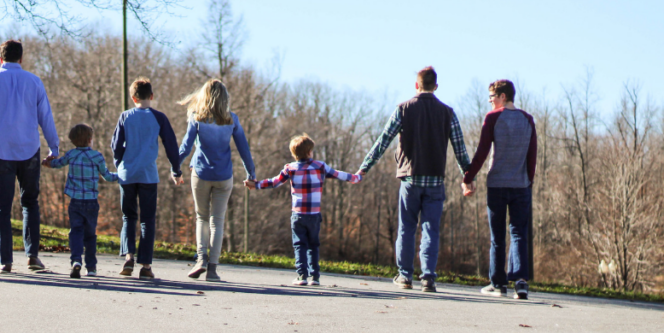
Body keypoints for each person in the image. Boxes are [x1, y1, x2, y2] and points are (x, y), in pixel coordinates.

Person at [355, 66, 472, 293]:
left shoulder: (403, 109)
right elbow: (460, 149)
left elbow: (383, 141)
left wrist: (364, 168)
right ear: (435, 86)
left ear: (416, 85)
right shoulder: (448, 112)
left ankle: (405, 276)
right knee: (430, 229)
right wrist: (467, 177)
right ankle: (428, 278)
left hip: (410, 179)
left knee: (407, 228)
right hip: (435, 180)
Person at [0, 40, 60, 274]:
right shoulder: (34, 81)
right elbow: (45, 117)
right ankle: (32, 256)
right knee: (30, 203)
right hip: (29, 149)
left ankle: (5, 260)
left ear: (1, 59)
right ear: (21, 59)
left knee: (2, 208)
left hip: (1, 151)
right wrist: (54, 148)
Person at [244, 134, 360, 286]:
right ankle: (315, 277)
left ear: (294, 153)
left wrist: (256, 184)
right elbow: (339, 175)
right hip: (314, 215)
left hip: (298, 215)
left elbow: (275, 182)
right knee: (313, 245)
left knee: (299, 245)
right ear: (310, 152)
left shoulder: (290, 168)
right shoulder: (320, 167)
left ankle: (301, 276)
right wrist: (356, 177)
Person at [462, 80, 536, 300]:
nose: (490, 101)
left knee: (498, 237)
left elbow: (482, 152)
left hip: (497, 185)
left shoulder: (493, 118)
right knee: (518, 233)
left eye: (492, 96)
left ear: (503, 96)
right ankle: (520, 283)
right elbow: (532, 157)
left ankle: (498, 283)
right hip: (521, 186)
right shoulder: (527, 119)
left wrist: (468, 177)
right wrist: (528, 181)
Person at [178, 79, 256, 282]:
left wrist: (175, 167)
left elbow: (186, 147)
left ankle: (200, 260)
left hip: (201, 174)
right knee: (217, 221)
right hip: (224, 176)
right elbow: (243, 149)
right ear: (225, 98)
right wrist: (251, 174)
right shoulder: (232, 120)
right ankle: (212, 269)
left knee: (201, 218)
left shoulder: (197, 119)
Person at [111, 77, 184, 280]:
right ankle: (145, 265)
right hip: (148, 176)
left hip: (127, 174)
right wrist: (176, 169)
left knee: (128, 217)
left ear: (133, 98)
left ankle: (128, 257)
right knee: (147, 220)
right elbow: (171, 144)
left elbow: (115, 145)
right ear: (151, 96)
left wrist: (120, 165)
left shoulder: (125, 116)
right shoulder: (159, 118)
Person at [43, 124, 119, 278]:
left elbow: (57, 164)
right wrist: (123, 176)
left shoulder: (71, 155)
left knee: (76, 232)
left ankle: (76, 260)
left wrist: (48, 162)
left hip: (75, 202)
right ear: (90, 140)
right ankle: (91, 267)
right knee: (90, 235)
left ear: (73, 140)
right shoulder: (97, 156)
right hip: (91, 202)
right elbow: (108, 176)